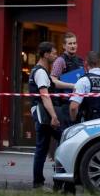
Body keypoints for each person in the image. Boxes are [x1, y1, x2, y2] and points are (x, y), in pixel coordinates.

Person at [29, 41, 61, 189]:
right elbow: (45, 96)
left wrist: (73, 86)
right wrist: (54, 116)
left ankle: (40, 182)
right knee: (62, 141)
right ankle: (48, 182)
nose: (55, 55)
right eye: (53, 53)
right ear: (46, 54)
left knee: (42, 147)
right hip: (45, 115)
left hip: (42, 114)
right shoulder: (41, 72)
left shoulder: (39, 70)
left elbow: (53, 86)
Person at [50, 32, 82, 126]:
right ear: (64, 46)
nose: (73, 46)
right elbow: (54, 81)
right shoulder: (60, 61)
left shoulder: (80, 60)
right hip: (64, 103)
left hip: (77, 102)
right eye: (70, 43)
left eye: (74, 43)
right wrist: (73, 86)